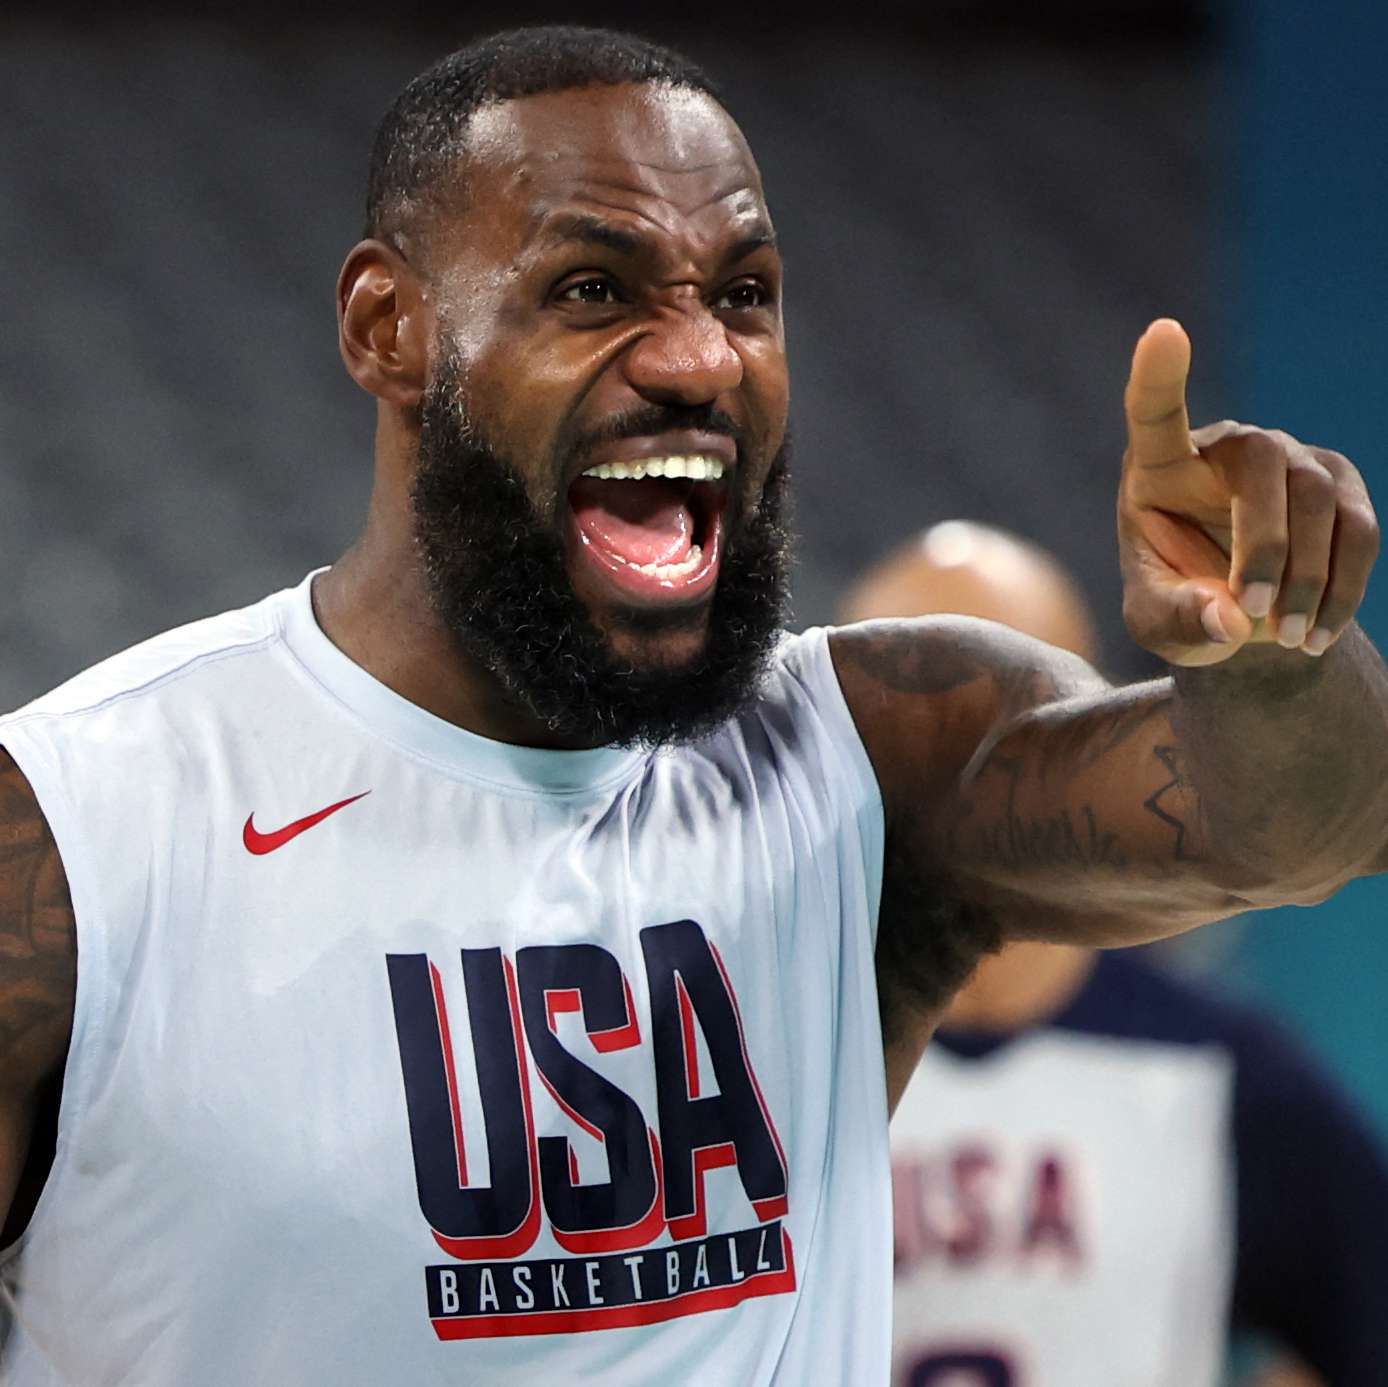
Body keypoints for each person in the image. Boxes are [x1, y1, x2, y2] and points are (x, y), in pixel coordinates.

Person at [0, 24, 1386, 1386]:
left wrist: (1269, 653)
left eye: (744, 292)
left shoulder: (875, 758)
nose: (702, 359)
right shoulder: (90, 828)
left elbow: (1295, 824)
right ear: (390, 326)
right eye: (594, 291)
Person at [843, 522, 1388, 1387]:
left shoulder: (1214, 1071)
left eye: (993, 716)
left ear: (1099, 728)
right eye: (901, 721)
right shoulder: (750, 1058)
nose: (953, 763)